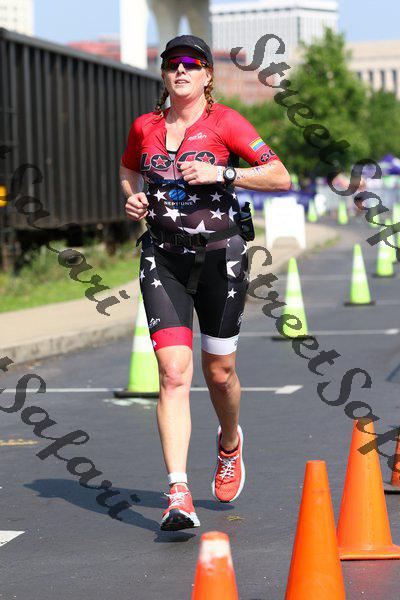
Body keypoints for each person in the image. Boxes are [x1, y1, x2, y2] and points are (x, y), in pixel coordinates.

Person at [120, 34, 291, 531]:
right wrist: (132, 198)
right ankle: (178, 492)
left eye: (192, 64)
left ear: (207, 75)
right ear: (163, 72)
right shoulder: (145, 127)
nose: (181, 71)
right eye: (172, 63)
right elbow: (128, 170)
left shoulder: (226, 123)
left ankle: (230, 442)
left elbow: (280, 176)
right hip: (163, 259)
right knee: (174, 373)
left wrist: (224, 173)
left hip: (222, 260)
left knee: (219, 373)